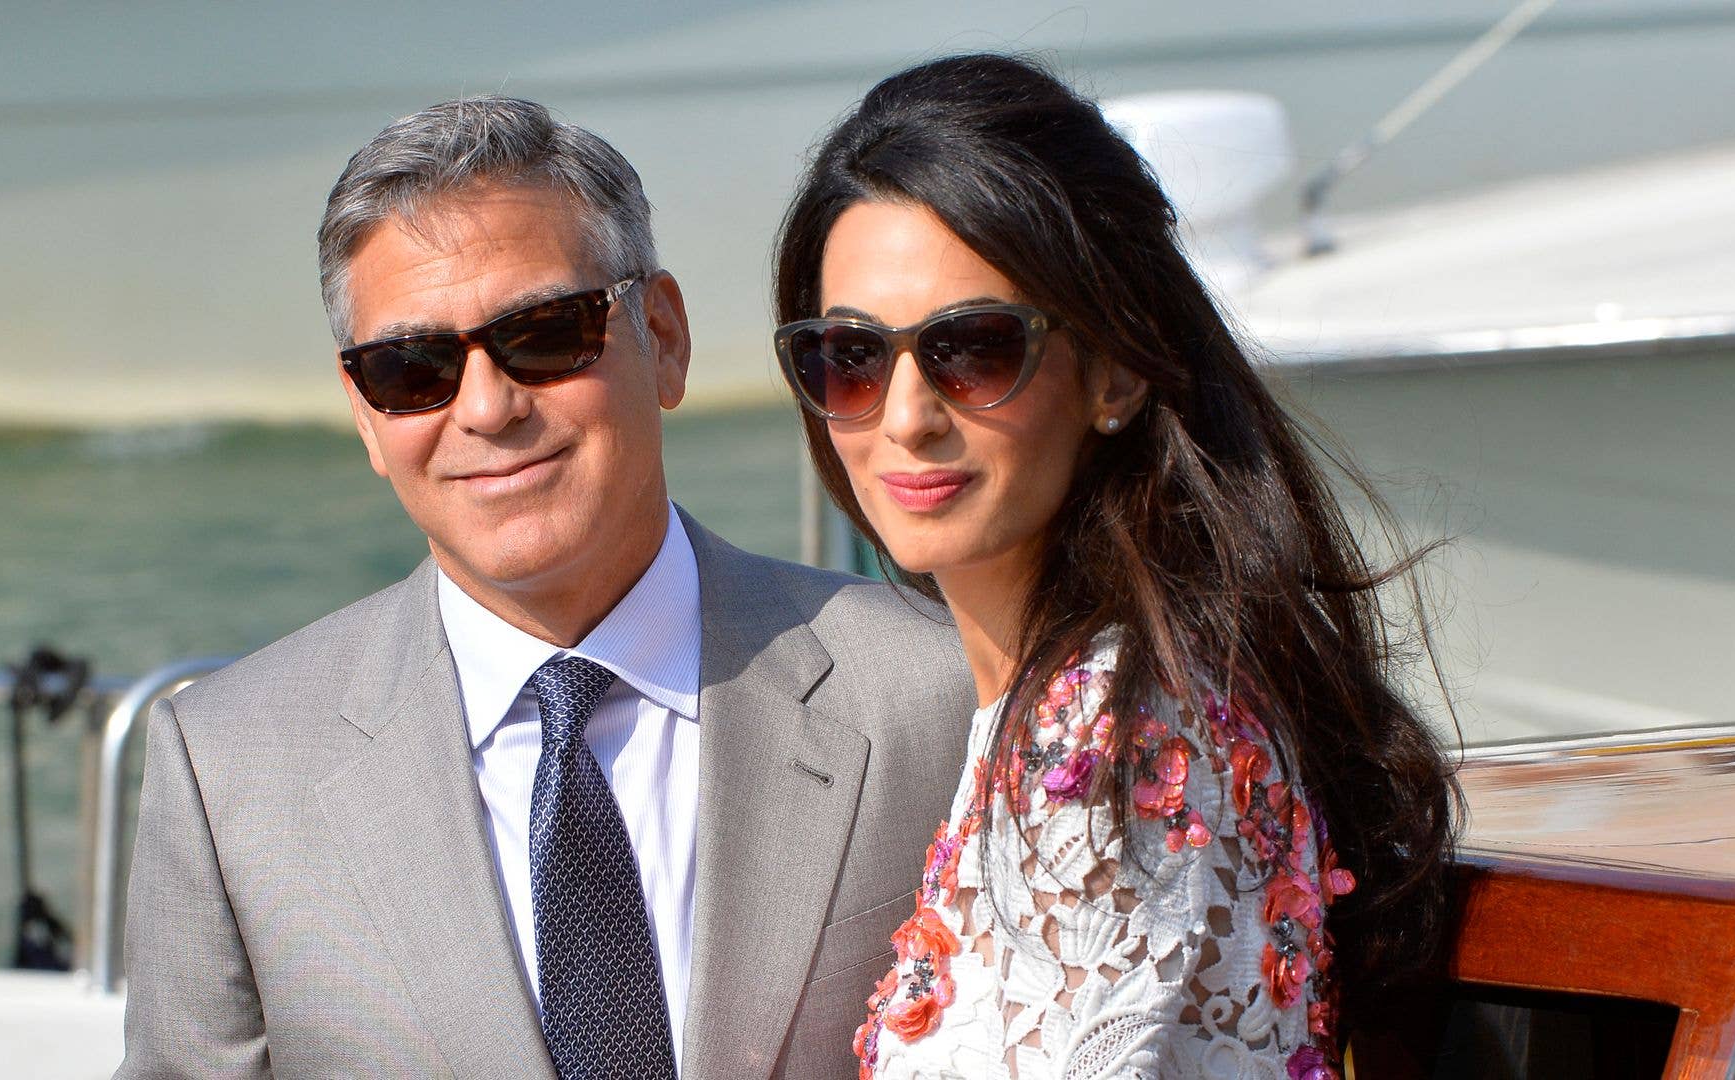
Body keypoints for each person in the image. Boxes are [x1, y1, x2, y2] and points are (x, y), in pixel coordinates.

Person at [117, 96, 974, 1079]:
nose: (486, 407)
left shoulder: (936, 690)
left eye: (544, 333)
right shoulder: (231, 768)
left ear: (665, 334)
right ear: (364, 415)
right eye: (412, 367)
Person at [771, 55, 1457, 1079]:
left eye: (974, 348)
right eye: (853, 356)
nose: (905, 418)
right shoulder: (1083, 702)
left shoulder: (1114, 743)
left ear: (1119, 369)